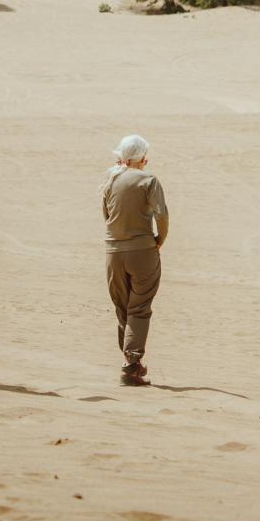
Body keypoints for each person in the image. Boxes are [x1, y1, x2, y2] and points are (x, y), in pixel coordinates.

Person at [101, 134, 168, 386]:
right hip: (142, 251)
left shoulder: (110, 180)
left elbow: (106, 215)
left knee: (123, 306)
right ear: (143, 159)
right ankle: (131, 364)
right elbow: (162, 215)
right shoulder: (149, 180)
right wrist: (159, 239)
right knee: (139, 308)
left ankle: (131, 362)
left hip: (113, 252)